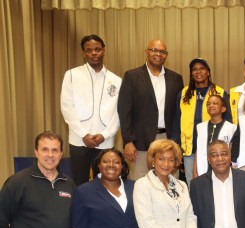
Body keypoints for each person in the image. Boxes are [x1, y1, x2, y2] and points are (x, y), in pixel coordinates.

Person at [118, 39, 184, 180]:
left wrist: (178, 141)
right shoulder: (132, 76)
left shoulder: (176, 79)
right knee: (140, 180)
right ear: (146, 51)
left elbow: (180, 113)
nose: (158, 54)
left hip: (169, 138)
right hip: (140, 140)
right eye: (154, 50)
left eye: (162, 51)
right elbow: (124, 111)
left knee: (171, 180)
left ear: (166, 55)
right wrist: (128, 141)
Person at [60, 34, 121, 186]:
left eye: (97, 49)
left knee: (106, 182)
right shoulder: (72, 75)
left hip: (105, 140)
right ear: (84, 53)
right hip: (79, 139)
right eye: (89, 50)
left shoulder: (117, 80)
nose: (94, 53)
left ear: (104, 50)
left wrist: (105, 134)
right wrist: (83, 134)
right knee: (79, 183)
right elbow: (67, 106)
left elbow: (119, 113)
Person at [172, 58, 230, 183]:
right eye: (195, 69)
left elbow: (228, 121)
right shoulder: (183, 94)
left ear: (208, 72)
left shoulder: (219, 92)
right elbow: (176, 123)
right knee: (193, 184)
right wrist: (176, 147)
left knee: (215, 184)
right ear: (191, 73)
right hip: (189, 151)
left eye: (202, 68)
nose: (198, 72)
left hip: (214, 150)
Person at [193, 94, 236, 178]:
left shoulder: (231, 128)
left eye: (215, 103)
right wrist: (194, 171)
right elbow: (199, 150)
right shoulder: (200, 127)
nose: (211, 105)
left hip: (223, 170)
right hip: (203, 169)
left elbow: (231, 152)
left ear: (223, 109)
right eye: (208, 104)